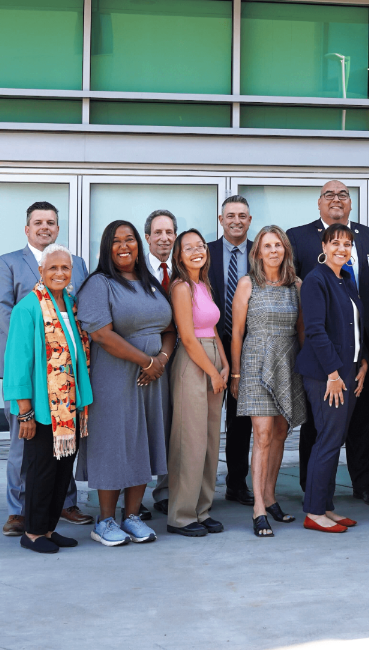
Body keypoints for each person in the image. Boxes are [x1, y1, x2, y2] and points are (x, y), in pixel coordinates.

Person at [0, 201, 92, 537]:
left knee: (64, 446)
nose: (44, 227)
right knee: (26, 444)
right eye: (38, 222)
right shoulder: (7, 263)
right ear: (27, 228)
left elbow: (81, 312)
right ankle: (20, 512)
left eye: (51, 222)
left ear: (58, 228)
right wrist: (41, 351)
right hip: (29, 370)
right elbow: (7, 317)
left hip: (66, 380)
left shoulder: (75, 263)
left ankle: (62, 505)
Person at [75, 220, 176, 547]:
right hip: (113, 378)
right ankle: (105, 520)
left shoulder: (150, 283)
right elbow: (102, 334)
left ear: (138, 244)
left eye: (129, 240)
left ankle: (132, 516)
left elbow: (170, 328)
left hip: (152, 379)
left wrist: (160, 359)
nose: (124, 246)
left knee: (143, 441)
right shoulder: (99, 284)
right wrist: (146, 361)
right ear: (107, 247)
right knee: (114, 443)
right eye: (116, 241)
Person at [288, 181, 369, 507]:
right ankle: (314, 493)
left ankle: (361, 484)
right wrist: (330, 368)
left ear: (351, 204)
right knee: (321, 430)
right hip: (325, 357)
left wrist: (366, 356)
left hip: (359, 351)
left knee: (362, 421)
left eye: (343, 194)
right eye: (329, 194)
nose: (336, 199)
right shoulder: (300, 240)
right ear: (318, 203)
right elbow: (310, 318)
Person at [230, 226, 307, 538]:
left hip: (288, 362)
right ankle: (258, 506)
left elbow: (301, 330)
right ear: (258, 252)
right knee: (261, 434)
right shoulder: (247, 284)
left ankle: (271, 495)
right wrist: (235, 373)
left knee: (280, 431)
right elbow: (236, 332)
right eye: (267, 246)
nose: (273, 250)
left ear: (285, 250)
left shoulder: (297, 285)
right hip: (255, 361)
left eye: (278, 245)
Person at [297, 223, 369, 533]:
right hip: (327, 374)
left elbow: (355, 326)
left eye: (347, 243)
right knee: (327, 439)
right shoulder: (316, 280)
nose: (342, 248)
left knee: (334, 439)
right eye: (335, 242)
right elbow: (314, 330)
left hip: (349, 370)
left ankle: (326, 506)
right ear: (324, 246)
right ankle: (314, 512)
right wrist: (333, 374)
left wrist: (362, 362)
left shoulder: (345, 280)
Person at [164, 229, 228, 538]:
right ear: (178, 256)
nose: (196, 251)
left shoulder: (204, 284)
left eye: (200, 245)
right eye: (188, 248)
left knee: (209, 440)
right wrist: (213, 372)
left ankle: (202, 510)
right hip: (193, 364)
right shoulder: (181, 287)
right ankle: (181, 515)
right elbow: (188, 338)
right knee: (189, 441)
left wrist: (226, 364)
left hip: (213, 359)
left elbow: (212, 327)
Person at [207, 195, 255, 506]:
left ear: (250, 221)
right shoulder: (205, 253)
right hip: (209, 345)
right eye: (230, 215)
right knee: (205, 420)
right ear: (221, 220)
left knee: (241, 421)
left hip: (249, 347)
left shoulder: (262, 253)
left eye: (242, 215)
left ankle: (237, 483)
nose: (236, 220)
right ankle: (199, 487)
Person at [144, 209, 177, 516]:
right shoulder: (134, 269)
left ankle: (165, 490)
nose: (164, 238)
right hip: (144, 360)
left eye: (169, 232)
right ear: (147, 237)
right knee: (141, 423)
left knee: (172, 425)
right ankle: (133, 493)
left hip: (180, 359)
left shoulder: (184, 268)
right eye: (158, 232)